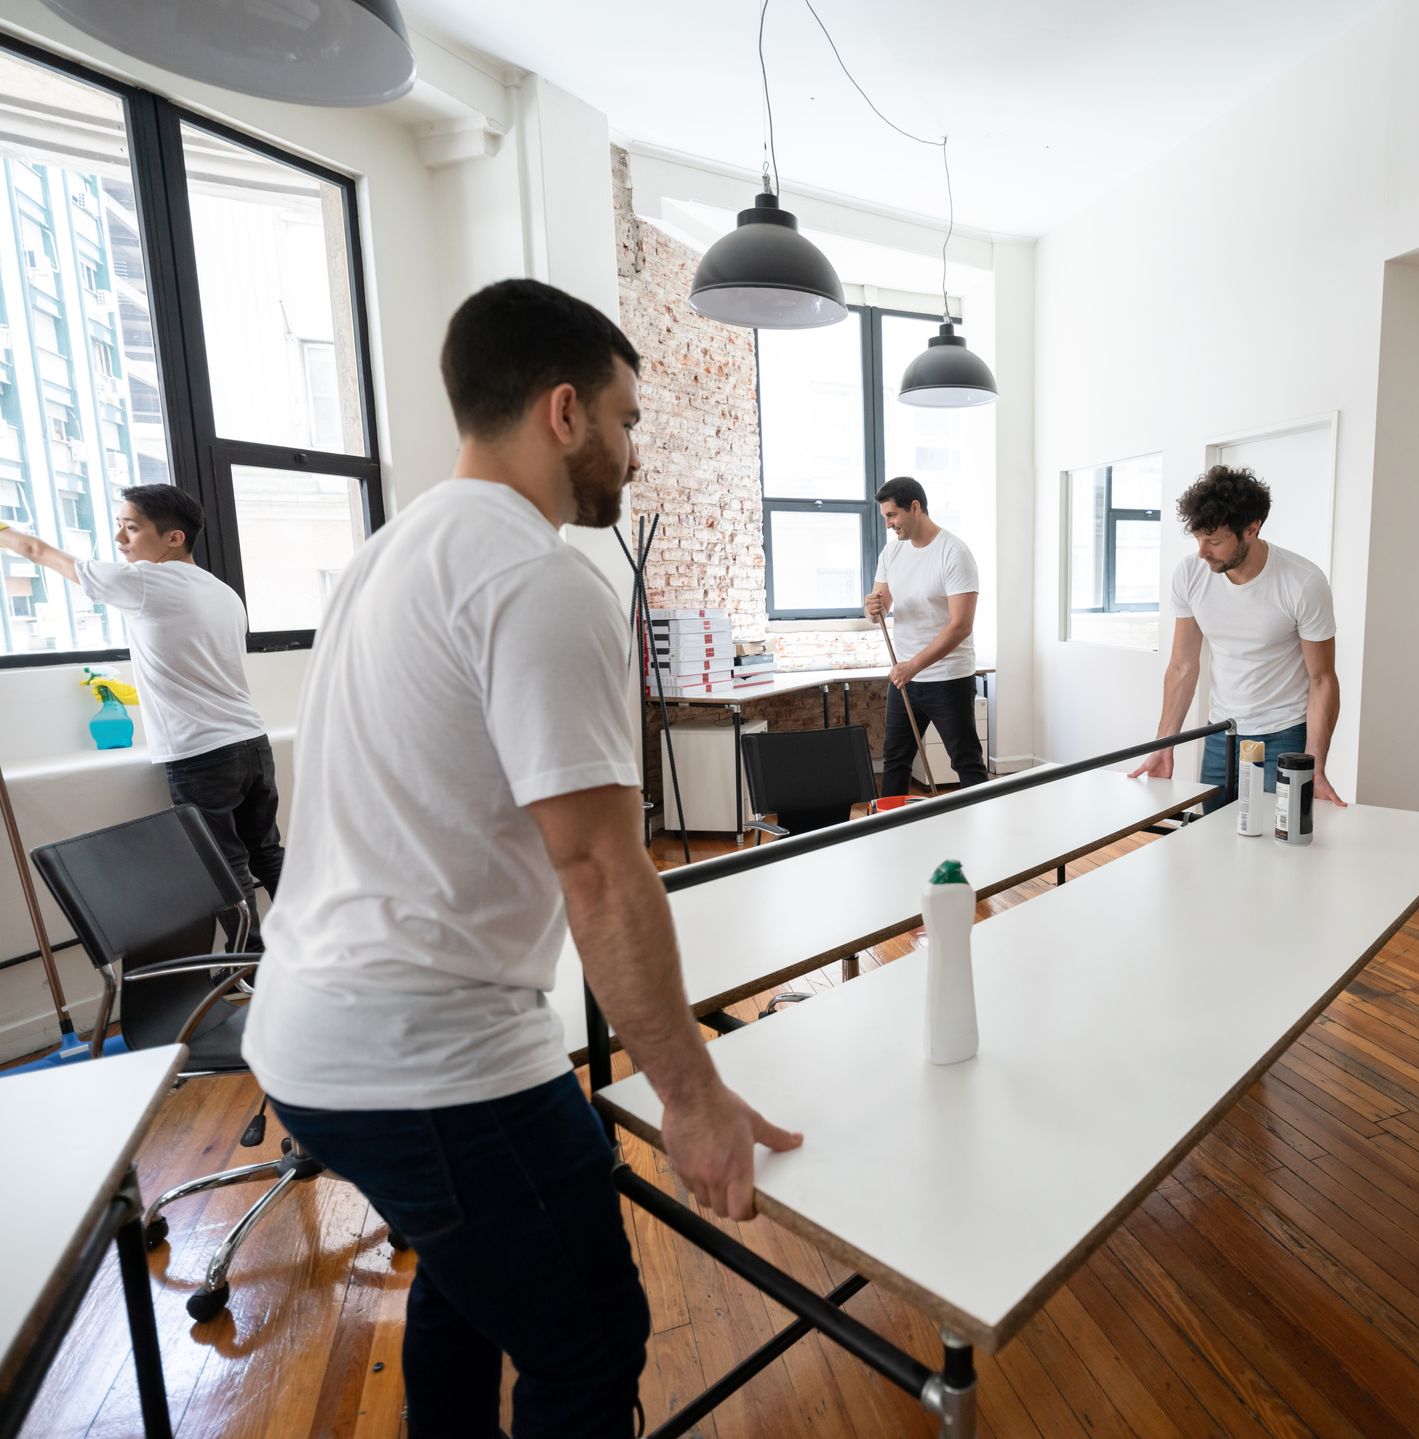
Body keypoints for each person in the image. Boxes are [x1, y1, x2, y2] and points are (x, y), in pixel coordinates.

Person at [242, 279, 800, 1438]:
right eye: (628, 417)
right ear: (563, 412)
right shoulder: (540, 580)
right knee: (590, 1343)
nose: (634, 449)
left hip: (306, 1026)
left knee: (468, 1278)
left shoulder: (388, 554)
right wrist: (692, 1098)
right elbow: (598, 867)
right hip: (431, 1056)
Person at [0, 486, 281, 940]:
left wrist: (4, 530)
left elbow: (38, 552)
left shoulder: (146, 582)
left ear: (173, 537)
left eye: (131, 527)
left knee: (222, 864)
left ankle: (250, 967)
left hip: (202, 754)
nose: (119, 538)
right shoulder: (223, 592)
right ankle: (308, 945)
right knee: (266, 852)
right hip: (251, 742)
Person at [1129, 465, 1346, 813]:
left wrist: (1315, 765)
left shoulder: (1303, 582)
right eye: (1198, 538)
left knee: (1276, 848)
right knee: (1213, 842)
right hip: (1221, 735)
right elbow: (1183, 666)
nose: (1202, 551)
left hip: (1284, 734)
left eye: (1214, 541)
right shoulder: (1190, 574)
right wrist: (1163, 746)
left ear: (1252, 528)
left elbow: (1322, 679)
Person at [862, 475, 987, 794]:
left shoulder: (953, 552)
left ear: (914, 507)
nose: (888, 524)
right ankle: (892, 831)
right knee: (895, 760)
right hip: (905, 676)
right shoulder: (892, 554)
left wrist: (914, 665)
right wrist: (873, 607)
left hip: (947, 678)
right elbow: (880, 606)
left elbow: (961, 625)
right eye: (885, 517)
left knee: (966, 762)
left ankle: (984, 835)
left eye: (892, 515)